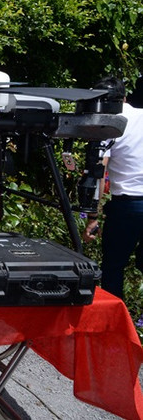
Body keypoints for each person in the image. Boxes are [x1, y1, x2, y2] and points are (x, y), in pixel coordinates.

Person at [83, 76, 143, 300]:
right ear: (125, 96)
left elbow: (99, 171)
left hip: (128, 206)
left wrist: (92, 216)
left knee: (113, 267)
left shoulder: (108, 126)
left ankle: (115, 327)